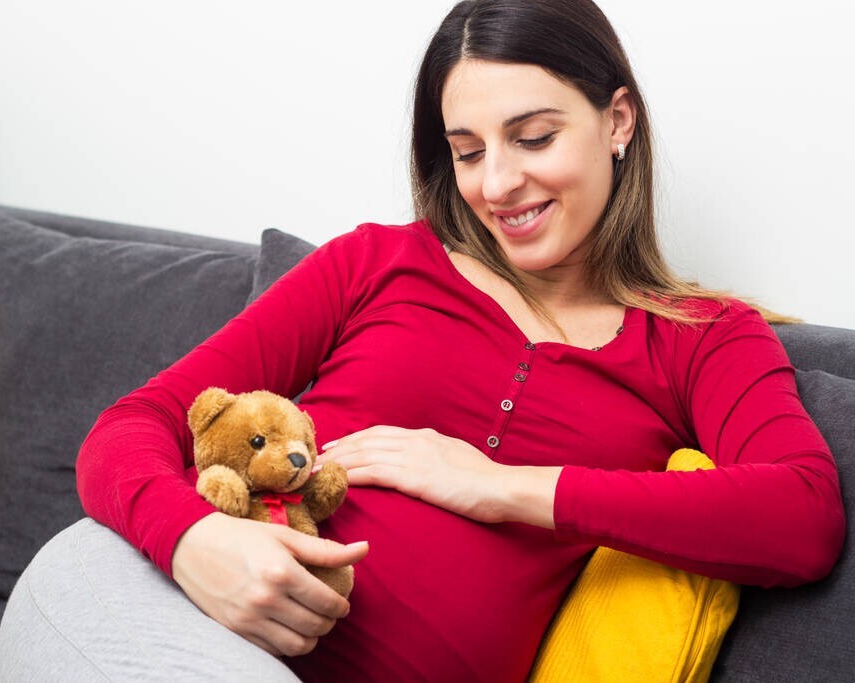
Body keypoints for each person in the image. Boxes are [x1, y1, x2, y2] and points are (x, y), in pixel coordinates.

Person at [75, 1, 845, 681]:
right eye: (469, 151)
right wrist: (193, 540)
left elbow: (802, 514)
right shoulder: (377, 263)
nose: (497, 184)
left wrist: (502, 486)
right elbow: (132, 426)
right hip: (156, 610)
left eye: (533, 137)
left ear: (618, 121)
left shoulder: (701, 338)